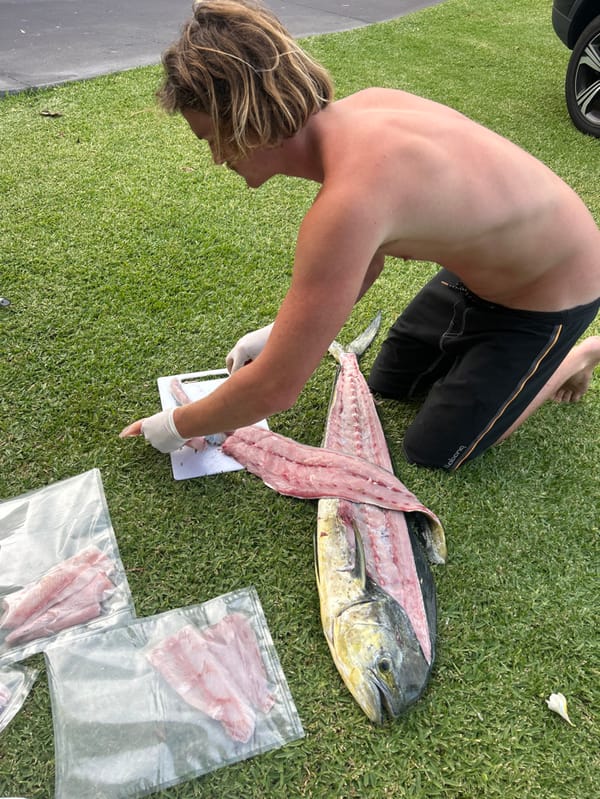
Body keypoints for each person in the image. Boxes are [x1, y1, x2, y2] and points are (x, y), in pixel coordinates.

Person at [120, 0, 600, 470]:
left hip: (554, 292)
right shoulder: (365, 108)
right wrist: (275, 337)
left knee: (437, 449)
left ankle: (579, 353)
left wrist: (173, 426)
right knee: (388, 382)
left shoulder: (351, 200)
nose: (217, 160)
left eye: (212, 140)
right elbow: (365, 262)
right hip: (483, 272)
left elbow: (277, 389)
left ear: (247, 119)